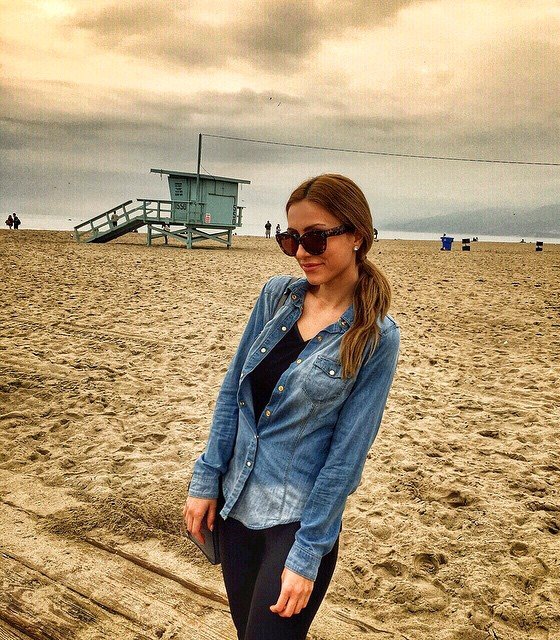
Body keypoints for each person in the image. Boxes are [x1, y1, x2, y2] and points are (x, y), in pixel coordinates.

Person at [183, 174, 400, 640]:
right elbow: (233, 393)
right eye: (291, 239)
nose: (302, 251)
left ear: (357, 235)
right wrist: (206, 478)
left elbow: (346, 457)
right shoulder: (276, 297)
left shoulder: (376, 336)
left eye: (316, 237)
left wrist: (307, 552)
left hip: (297, 523)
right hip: (235, 506)